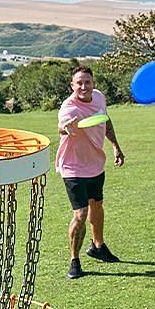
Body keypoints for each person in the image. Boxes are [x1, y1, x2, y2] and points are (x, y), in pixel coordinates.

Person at [56, 65, 125, 279]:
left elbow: (105, 120)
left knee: (97, 205)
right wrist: (66, 127)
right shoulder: (69, 107)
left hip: (96, 164)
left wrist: (115, 146)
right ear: (72, 85)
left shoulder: (98, 97)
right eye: (79, 83)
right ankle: (74, 260)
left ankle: (98, 246)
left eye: (87, 82)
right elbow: (61, 125)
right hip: (73, 167)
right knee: (81, 213)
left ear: (93, 83)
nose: (84, 87)